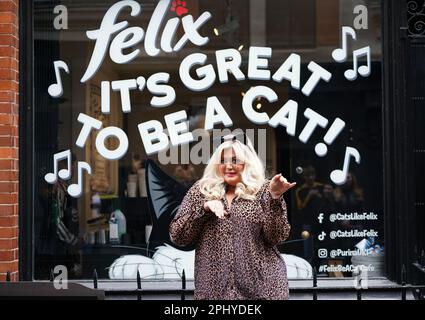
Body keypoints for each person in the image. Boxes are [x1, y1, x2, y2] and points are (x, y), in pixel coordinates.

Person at [169, 134, 296, 300]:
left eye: (235, 160)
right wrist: (204, 210)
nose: (228, 166)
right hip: (215, 293)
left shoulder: (265, 190)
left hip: (262, 292)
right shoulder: (202, 191)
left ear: (247, 164)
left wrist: (274, 198)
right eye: (223, 161)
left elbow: (276, 237)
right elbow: (178, 236)